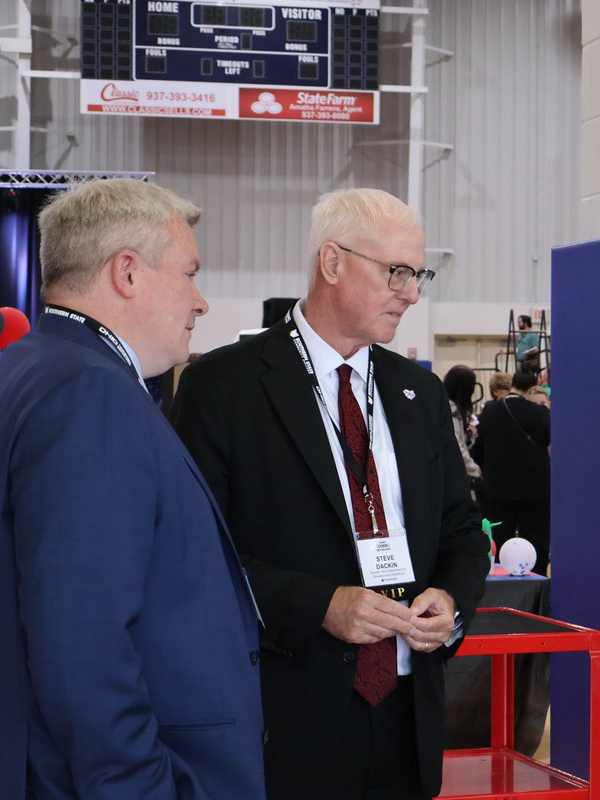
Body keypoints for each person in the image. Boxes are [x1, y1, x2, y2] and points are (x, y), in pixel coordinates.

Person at [0, 179, 266, 799]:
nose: (201, 301)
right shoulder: (90, 395)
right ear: (128, 273)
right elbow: (82, 642)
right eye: (189, 273)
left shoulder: (29, 370)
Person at [170, 187, 488, 800]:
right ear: (332, 262)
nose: (412, 293)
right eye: (396, 271)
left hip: (408, 711)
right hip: (286, 711)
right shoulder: (224, 387)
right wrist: (319, 606)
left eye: (418, 274)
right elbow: (195, 555)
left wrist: (451, 601)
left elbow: (462, 530)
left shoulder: (417, 397)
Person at [472, 369, 551, 575]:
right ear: (531, 386)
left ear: (512, 383)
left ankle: (499, 586)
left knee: (499, 541)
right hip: (535, 491)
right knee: (535, 542)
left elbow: (478, 450)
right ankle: (537, 587)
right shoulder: (541, 414)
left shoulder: (489, 412)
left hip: (499, 490)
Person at [443, 364, 482, 485]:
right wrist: (475, 469)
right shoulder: (451, 410)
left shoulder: (445, 405)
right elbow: (456, 446)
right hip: (451, 476)